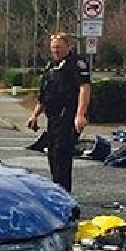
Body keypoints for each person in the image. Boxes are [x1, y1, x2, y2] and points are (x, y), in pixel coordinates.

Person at [25, 32, 92, 192]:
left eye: (59, 47)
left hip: (69, 116)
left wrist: (80, 115)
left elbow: (85, 88)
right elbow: (45, 95)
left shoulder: (76, 64)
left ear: (69, 47)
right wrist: (35, 115)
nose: (55, 50)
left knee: (62, 155)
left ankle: (64, 195)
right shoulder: (51, 66)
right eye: (53, 47)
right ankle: (57, 189)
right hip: (54, 118)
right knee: (53, 155)